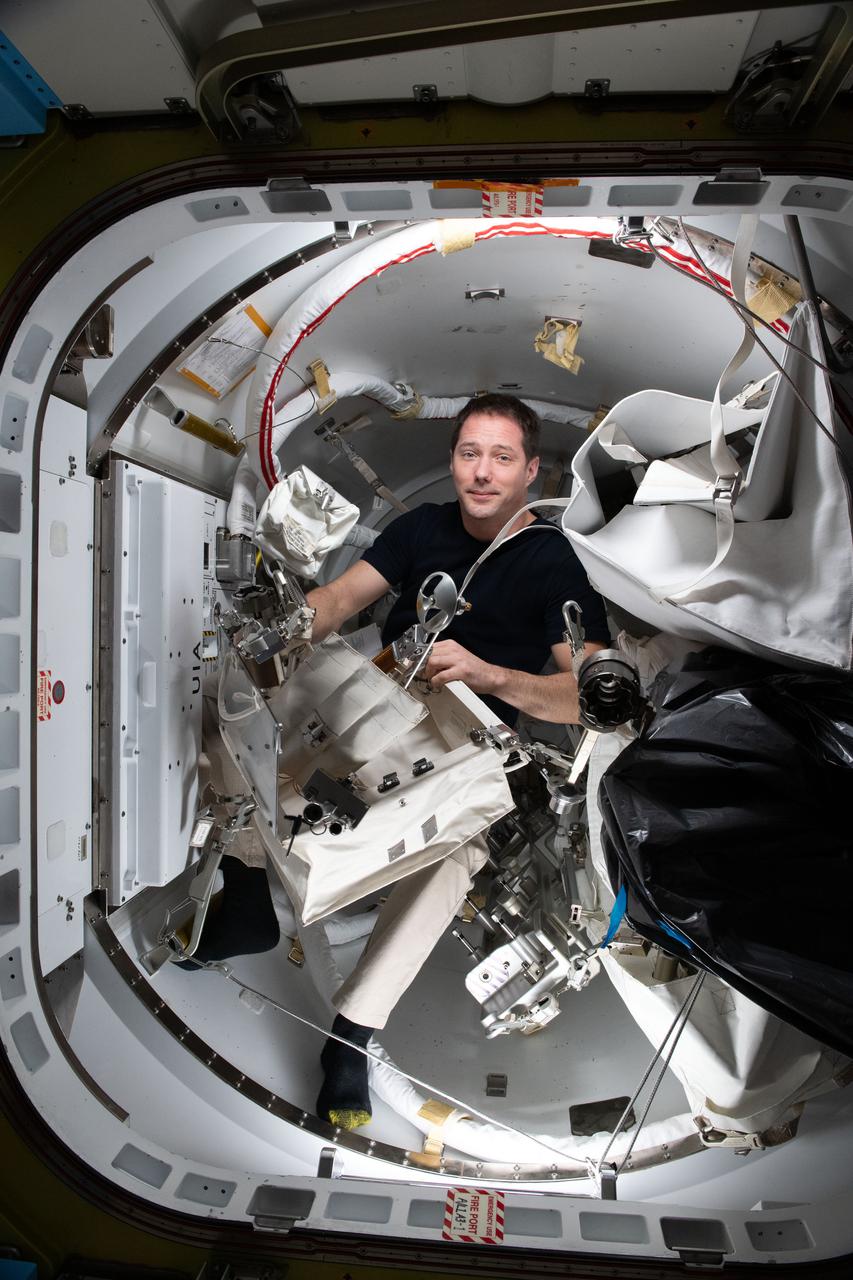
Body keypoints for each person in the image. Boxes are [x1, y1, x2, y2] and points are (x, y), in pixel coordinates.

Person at [306, 393, 609, 1130]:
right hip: (376, 699)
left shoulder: (553, 561)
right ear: (452, 461)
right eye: (469, 453)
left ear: (530, 471)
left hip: (471, 741)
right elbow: (342, 598)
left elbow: (589, 698)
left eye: (501, 457)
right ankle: (241, 894)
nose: (481, 472)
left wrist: (490, 675)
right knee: (289, 709)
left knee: (456, 855)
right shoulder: (422, 530)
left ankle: (350, 1035)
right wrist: (280, 629)